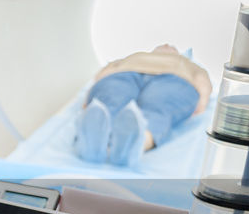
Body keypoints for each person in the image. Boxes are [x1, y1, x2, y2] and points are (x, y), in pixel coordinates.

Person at [73, 44, 212, 168]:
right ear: (153, 50)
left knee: (158, 108)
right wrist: (91, 96)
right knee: (109, 100)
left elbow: (202, 80)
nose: (167, 44)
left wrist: (203, 101)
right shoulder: (134, 56)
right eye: (162, 44)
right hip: (125, 74)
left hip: (174, 79)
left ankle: (132, 145)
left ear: (178, 53)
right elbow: (104, 74)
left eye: (172, 47)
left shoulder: (188, 63)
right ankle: (92, 145)